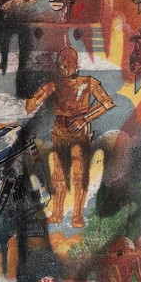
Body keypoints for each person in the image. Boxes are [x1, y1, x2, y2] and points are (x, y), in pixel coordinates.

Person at [25, 45, 114, 229]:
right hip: (59, 131)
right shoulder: (54, 84)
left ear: (76, 64)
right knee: (58, 174)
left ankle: (77, 215)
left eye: (67, 63)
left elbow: (107, 102)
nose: (64, 68)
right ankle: (57, 213)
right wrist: (35, 93)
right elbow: (30, 106)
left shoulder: (88, 82)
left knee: (79, 174)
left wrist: (85, 118)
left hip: (80, 132)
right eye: (61, 64)